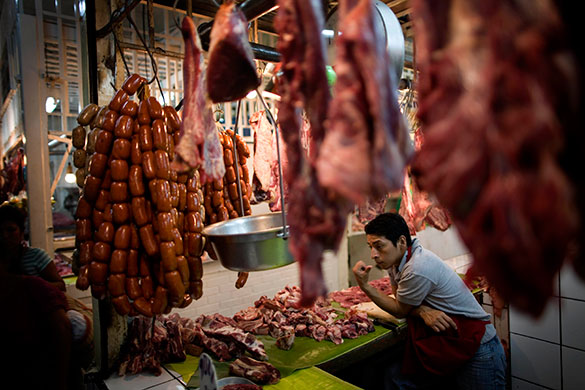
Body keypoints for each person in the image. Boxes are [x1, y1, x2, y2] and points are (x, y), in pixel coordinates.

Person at [352, 213, 506, 389]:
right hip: (460, 344)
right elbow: (401, 298)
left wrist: (365, 286)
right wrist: (422, 310)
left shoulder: (418, 266)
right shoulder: (398, 262)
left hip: (480, 350)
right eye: (370, 246)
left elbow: (399, 309)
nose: (373, 254)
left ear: (402, 241)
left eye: (379, 246)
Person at [0, 203, 66, 291]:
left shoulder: (37, 256)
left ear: (21, 232)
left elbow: (61, 286)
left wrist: (35, 285)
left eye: (11, 230)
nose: (5, 235)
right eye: (0, 231)